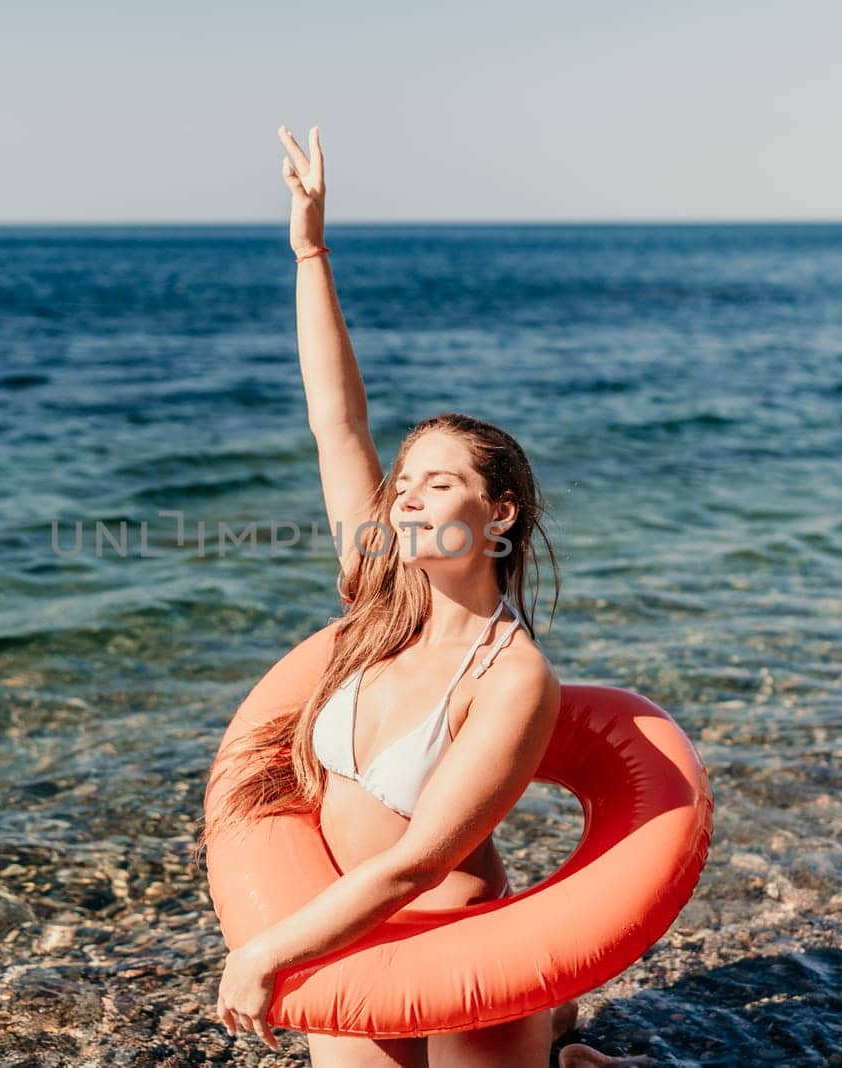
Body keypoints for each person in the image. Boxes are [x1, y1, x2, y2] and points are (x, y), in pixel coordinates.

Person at [201, 126, 655, 1067]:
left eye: (438, 482)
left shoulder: (513, 676)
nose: (405, 492)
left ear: (498, 517)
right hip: (355, 942)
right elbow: (337, 419)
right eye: (404, 480)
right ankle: (567, 1046)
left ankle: (568, 1051)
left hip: (461, 953)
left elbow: (418, 862)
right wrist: (310, 248)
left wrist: (268, 951)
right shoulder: (378, 595)